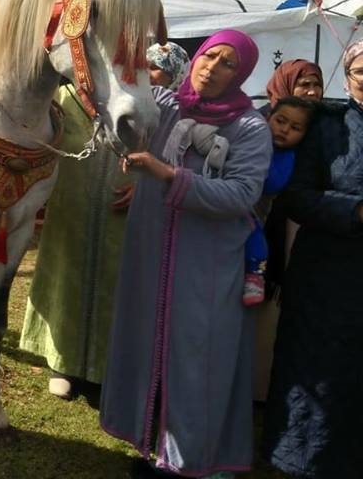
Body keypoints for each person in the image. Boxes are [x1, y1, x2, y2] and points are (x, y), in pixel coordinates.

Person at [100, 29, 272, 478]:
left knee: (198, 357)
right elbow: (119, 73)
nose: (212, 67)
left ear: (243, 73)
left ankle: (190, 461)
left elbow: (240, 193)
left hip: (207, 261)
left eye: (227, 63)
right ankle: (151, 443)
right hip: (151, 249)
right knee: (148, 343)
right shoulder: (167, 105)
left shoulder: (249, 126)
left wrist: (167, 173)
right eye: (208, 55)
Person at [20, 41, 191, 399]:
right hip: (73, 200)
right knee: (66, 274)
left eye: (158, 70)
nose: (146, 74)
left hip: (126, 210)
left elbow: (175, 164)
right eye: (143, 65)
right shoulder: (79, 96)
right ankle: (62, 363)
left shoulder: (167, 114)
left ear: (175, 78)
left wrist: (148, 188)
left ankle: (102, 370)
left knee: (115, 286)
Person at [262, 40, 363, 477]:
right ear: (348, 75)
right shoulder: (325, 123)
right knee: (317, 372)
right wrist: (356, 211)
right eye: (361, 72)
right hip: (327, 272)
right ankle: (303, 461)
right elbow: (297, 197)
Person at [252, 59, 325, 399]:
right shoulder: (257, 124)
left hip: (296, 233)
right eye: (303, 84)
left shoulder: (323, 128)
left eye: (316, 84)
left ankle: (265, 388)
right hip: (254, 227)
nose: (311, 91)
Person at [242, 96, 316, 307]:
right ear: (268, 117)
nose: (284, 130)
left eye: (295, 127)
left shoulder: (290, 158)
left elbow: (273, 184)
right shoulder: (249, 138)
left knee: (255, 239)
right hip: (231, 203)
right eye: (280, 121)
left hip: (254, 211)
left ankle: (255, 277)